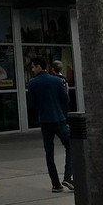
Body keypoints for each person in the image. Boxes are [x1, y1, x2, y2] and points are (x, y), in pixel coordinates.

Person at [26, 58, 73, 193]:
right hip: (59, 119)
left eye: (33, 67)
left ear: (39, 67)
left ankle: (55, 184)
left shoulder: (33, 83)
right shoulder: (57, 81)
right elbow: (66, 99)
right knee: (70, 146)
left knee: (49, 152)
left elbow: (31, 104)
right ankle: (68, 176)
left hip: (45, 121)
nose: (33, 70)